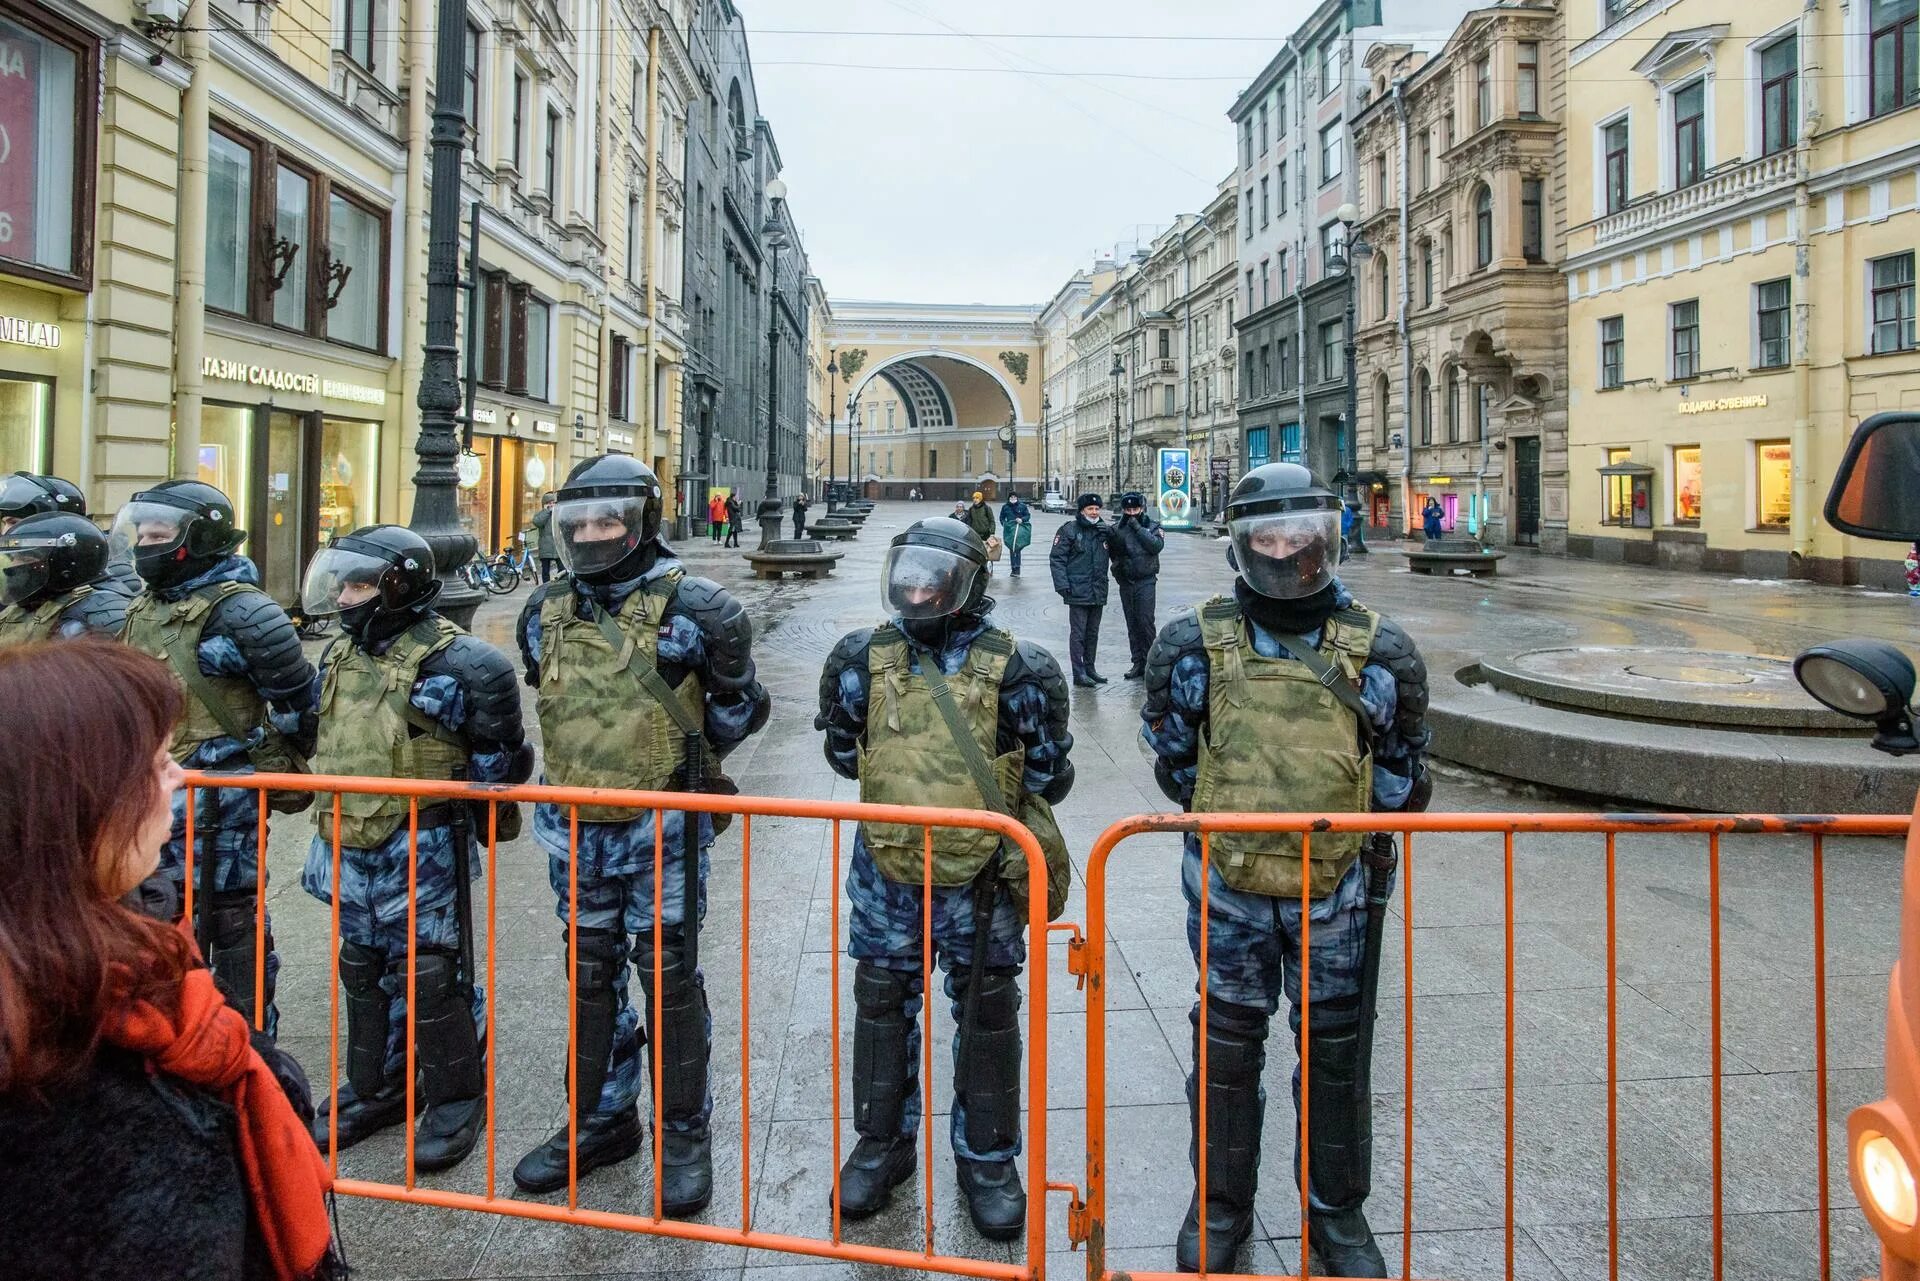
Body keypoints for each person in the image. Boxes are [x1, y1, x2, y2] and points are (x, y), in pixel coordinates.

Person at [1140, 463, 1432, 1277]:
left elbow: (1404, 774)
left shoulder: (1381, 651)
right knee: (1227, 1045)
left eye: (1299, 537)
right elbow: (1173, 760)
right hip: (1229, 890)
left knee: (1336, 1048)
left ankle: (1337, 1213)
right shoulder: (1192, 643)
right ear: (1241, 545)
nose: (1284, 551)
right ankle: (1222, 1205)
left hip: (1335, 891)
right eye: (1266, 537)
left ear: (1326, 540)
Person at [0, 639, 340, 1281]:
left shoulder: (115, 954)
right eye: (155, 766)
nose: (179, 778)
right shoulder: (97, 1094)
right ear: (83, 807)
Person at [514, 456, 770, 1209]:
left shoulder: (698, 608)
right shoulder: (544, 609)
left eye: (610, 521)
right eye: (581, 522)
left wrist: (676, 767)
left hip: (662, 832)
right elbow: (550, 692)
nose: (593, 535)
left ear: (641, 522)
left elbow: (736, 709)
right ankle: (600, 1117)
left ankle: (685, 1131)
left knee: (668, 980)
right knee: (590, 976)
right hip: (577, 834)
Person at [815, 516, 1074, 1239]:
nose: (919, 588)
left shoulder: (1021, 667)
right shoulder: (859, 658)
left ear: (967, 583)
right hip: (889, 871)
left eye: (935, 577)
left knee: (988, 1009)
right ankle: (882, 1143)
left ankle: (988, 1156)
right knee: (880, 1002)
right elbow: (844, 748)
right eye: (910, 574)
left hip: (982, 881)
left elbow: (1048, 768)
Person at [296, 525, 533, 1169]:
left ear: (399, 587)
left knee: (431, 971)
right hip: (349, 838)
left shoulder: (464, 664)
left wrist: (481, 812)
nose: (347, 597)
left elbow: (502, 761)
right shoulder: (339, 654)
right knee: (362, 966)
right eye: (342, 584)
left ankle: (455, 1097)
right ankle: (380, 1087)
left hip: (424, 841)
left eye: (362, 585)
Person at [115, 481, 317, 1036]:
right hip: (154, 802)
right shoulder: (144, 605)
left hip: (224, 808)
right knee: (154, 920)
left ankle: (249, 1045)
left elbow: (298, 705)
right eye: (140, 534)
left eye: (159, 535)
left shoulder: (245, 613)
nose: (144, 545)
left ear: (197, 537)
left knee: (232, 925)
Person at [0, 513, 131, 645]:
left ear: (64, 563)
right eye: (13, 558)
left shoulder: (99, 612)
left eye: (26, 559)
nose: (13, 566)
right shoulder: (26, 606)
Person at [1050, 493, 1112, 687]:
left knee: (1093, 633)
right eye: (1090, 509)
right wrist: (1062, 585)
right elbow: (1057, 559)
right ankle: (1079, 673)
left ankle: (1090, 668)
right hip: (1077, 590)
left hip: (1098, 589)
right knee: (1078, 634)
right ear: (1082, 510)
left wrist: (1112, 535)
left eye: (1096, 509)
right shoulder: (1069, 530)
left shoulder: (1104, 530)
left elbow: (1119, 552)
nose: (1094, 512)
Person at [1108, 491, 1165, 680]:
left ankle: (1151, 662)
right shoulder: (1117, 529)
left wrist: (1138, 528)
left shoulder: (1152, 526)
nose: (1132, 513)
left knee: (1145, 622)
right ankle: (1137, 662)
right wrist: (1118, 572)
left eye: (1135, 509)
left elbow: (1155, 546)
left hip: (1146, 580)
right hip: (1127, 582)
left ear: (1142, 508)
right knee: (1132, 623)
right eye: (1128, 510)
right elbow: (1113, 554)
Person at [998, 492, 1032, 577]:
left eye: (1014, 496)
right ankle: (1013, 568)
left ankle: (1017, 568)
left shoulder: (1022, 506)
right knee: (1011, 548)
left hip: (1019, 529)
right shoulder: (1005, 507)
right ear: (1009, 498)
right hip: (1010, 530)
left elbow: (1027, 515)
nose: (1013, 498)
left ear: (1017, 497)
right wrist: (1005, 525)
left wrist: (1022, 519)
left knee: (1018, 548)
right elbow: (1001, 517)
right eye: (1011, 497)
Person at [532, 492, 561, 582]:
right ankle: (546, 586)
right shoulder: (541, 514)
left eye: (553, 502)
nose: (552, 505)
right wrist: (546, 511)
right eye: (549, 503)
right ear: (545, 504)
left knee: (562, 569)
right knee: (545, 570)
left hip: (557, 546)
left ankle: (561, 584)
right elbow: (537, 522)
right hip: (545, 547)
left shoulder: (558, 513)